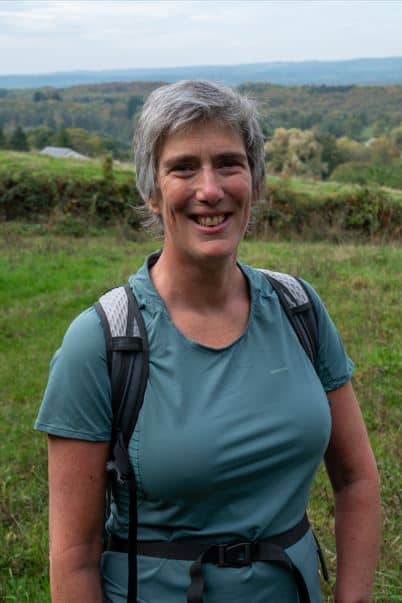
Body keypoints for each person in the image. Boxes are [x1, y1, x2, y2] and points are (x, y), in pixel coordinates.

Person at [35, 80, 380, 603]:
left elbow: (356, 480)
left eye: (228, 163)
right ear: (151, 192)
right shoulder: (103, 342)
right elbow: (75, 556)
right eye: (183, 168)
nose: (210, 189)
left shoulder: (299, 308)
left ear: (255, 182)